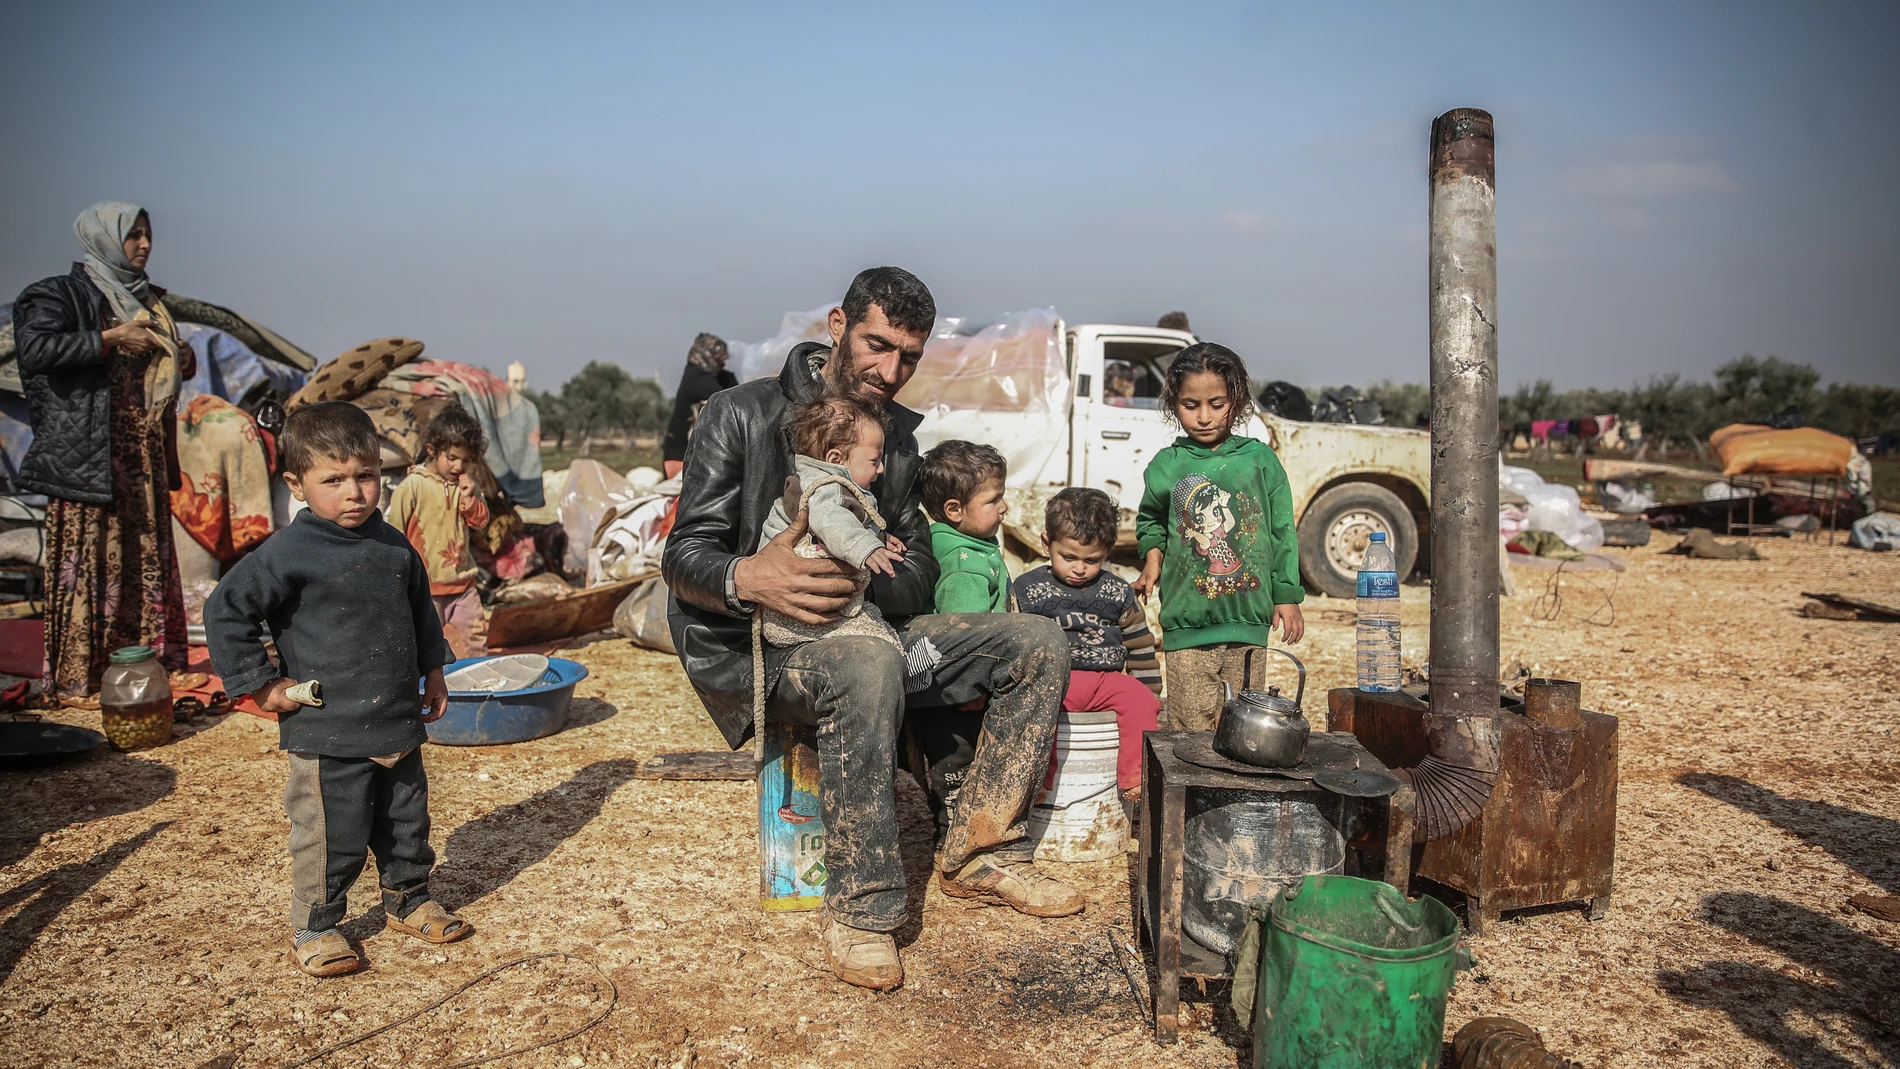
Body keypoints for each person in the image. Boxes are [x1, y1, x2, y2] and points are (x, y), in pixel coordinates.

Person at [664, 266, 1080, 993]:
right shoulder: (738, 413)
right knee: (864, 662)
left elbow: (916, 566)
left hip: (876, 630)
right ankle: (863, 910)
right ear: (837, 325)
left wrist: (870, 564)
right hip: (773, 651)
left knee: (1038, 642)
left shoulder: (897, 443)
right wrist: (749, 576)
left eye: (910, 356)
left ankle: (981, 851)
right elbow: (682, 554)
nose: (891, 370)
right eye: (877, 345)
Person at [204, 402, 472, 977]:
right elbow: (225, 609)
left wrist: (434, 671)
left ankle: (408, 899)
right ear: (296, 484)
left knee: (406, 823)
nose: (354, 493)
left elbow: (421, 611)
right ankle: (316, 925)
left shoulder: (394, 546)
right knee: (331, 835)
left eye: (366, 476)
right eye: (334, 480)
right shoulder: (287, 553)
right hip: (328, 729)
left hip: (398, 720)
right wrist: (262, 685)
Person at [12, 202, 196, 707]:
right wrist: (112, 337)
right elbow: (34, 351)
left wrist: (184, 357)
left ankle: (148, 667)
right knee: (92, 557)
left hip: (142, 454)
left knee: (143, 556)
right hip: (89, 452)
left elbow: (163, 366)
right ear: (103, 239)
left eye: (147, 235)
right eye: (133, 236)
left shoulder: (151, 302)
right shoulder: (56, 294)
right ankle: (79, 678)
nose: (144, 244)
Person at [1133, 342, 1305, 729]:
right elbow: (1151, 522)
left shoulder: (1260, 461)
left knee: (1243, 728)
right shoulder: (1166, 466)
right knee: (1190, 733)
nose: (1204, 417)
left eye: (1217, 403)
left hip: (1248, 621)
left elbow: (1282, 531)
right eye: (1190, 405)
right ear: (1174, 403)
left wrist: (1287, 595)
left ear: (1238, 401)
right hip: (1188, 623)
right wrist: (1151, 561)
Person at [1013, 488, 1161, 797]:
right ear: (1045, 544)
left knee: (1141, 701)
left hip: (1106, 681)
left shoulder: (1118, 592)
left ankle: (1135, 777)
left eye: (1092, 560)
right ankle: (1040, 781)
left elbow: (1138, 642)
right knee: (1040, 717)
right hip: (1053, 680)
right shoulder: (1027, 590)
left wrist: (1148, 689)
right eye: (1068, 557)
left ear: (1107, 552)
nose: (1079, 568)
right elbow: (1012, 639)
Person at [755, 390, 909, 658]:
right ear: (835, 459)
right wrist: (866, 547)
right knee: (876, 635)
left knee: (873, 624)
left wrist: (879, 539)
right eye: (874, 460)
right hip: (794, 610)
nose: (881, 469)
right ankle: (910, 672)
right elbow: (831, 521)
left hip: (802, 606)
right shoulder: (823, 487)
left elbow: (846, 522)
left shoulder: (837, 487)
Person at [386, 406, 491, 658]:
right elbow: (395, 531)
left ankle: (477, 684)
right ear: (432, 451)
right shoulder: (413, 485)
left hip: (463, 582)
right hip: (426, 586)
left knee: (475, 636)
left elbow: (480, 521)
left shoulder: (465, 485)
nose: (458, 466)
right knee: (425, 642)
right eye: (452, 458)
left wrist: (469, 497)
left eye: (466, 460)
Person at [920, 440, 1010, 614]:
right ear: (955, 510)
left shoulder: (977, 542)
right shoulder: (964, 568)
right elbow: (968, 632)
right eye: (994, 500)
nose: (1004, 506)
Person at [661, 332, 738, 479]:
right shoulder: (698, 379)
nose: (722, 365)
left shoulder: (711, 377)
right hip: (680, 453)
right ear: (705, 356)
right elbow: (730, 399)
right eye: (718, 361)